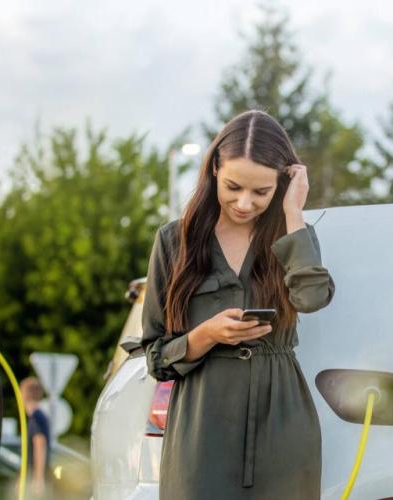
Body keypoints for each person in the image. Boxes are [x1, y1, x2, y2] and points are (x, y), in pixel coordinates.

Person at [141, 110, 336, 498]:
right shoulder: (174, 243)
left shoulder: (295, 235)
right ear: (214, 168)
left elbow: (312, 297)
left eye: (261, 192)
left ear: (282, 183)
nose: (244, 203)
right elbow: (156, 357)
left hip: (282, 425)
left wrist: (293, 213)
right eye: (233, 186)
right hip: (201, 430)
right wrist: (206, 335)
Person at [20, 376, 50, 496]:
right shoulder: (39, 416)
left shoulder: (36, 417)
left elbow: (39, 444)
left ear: (26, 394)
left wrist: (38, 479)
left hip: (34, 478)